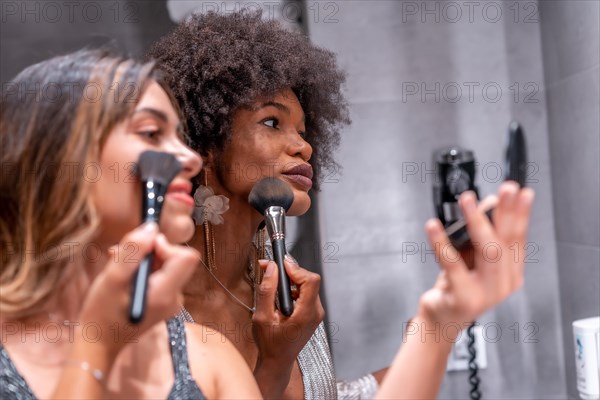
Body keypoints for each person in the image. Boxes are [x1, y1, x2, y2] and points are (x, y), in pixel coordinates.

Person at [147, 11, 534, 399]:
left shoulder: (289, 281)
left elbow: (324, 395)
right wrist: (276, 362)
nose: (304, 146)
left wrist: (442, 320)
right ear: (205, 143)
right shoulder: (155, 302)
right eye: (271, 122)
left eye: (303, 130)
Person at [0, 49, 262, 399]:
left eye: (179, 138)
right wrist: (98, 346)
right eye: (152, 133)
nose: (190, 159)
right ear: (58, 161)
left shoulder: (208, 358)